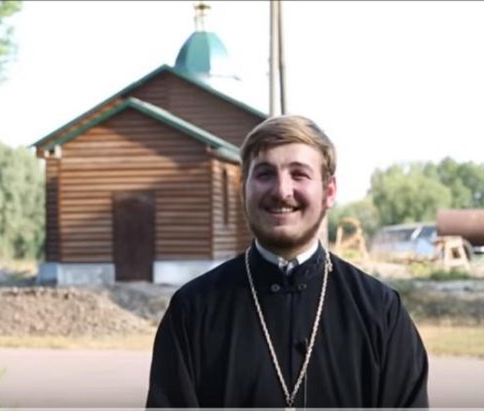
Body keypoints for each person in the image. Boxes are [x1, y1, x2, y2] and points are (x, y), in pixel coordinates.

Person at [146, 115, 429, 408]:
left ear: (329, 192)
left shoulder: (380, 312)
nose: (282, 191)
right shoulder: (192, 310)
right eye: (265, 173)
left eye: (299, 174)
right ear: (244, 189)